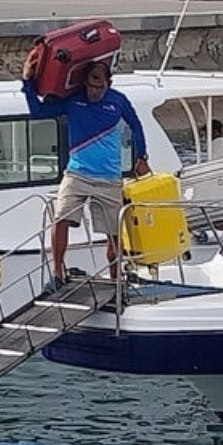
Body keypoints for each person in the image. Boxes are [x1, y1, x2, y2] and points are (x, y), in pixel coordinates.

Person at [20, 55, 149, 289]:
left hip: (109, 178)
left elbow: (136, 125)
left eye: (99, 85)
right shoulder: (73, 101)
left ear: (108, 83)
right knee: (60, 218)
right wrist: (27, 82)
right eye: (90, 84)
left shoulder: (119, 101)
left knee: (115, 235)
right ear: (84, 83)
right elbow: (38, 112)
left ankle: (115, 278)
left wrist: (141, 156)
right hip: (77, 173)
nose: (94, 91)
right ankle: (58, 272)